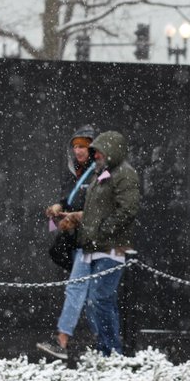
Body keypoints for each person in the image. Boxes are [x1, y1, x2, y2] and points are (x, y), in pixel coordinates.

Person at [57, 130, 139, 356]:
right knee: (95, 299)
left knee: (100, 299)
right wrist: (77, 219)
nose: (95, 155)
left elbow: (127, 210)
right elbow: (94, 210)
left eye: (98, 151)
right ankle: (104, 348)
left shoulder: (124, 174)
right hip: (91, 245)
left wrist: (102, 229)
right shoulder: (99, 174)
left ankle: (111, 350)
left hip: (111, 247)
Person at [37, 125, 97, 360]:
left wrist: (75, 216)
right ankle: (103, 342)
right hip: (78, 239)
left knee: (82, 290)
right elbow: (69, 198)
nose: (78, 151)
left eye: (82, 146)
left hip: (90, 239)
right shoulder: (74, 171)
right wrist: (59, 208)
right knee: (89, 292)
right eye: (75, 146)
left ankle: (64, 339)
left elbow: (99, 207)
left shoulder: (100, 172)